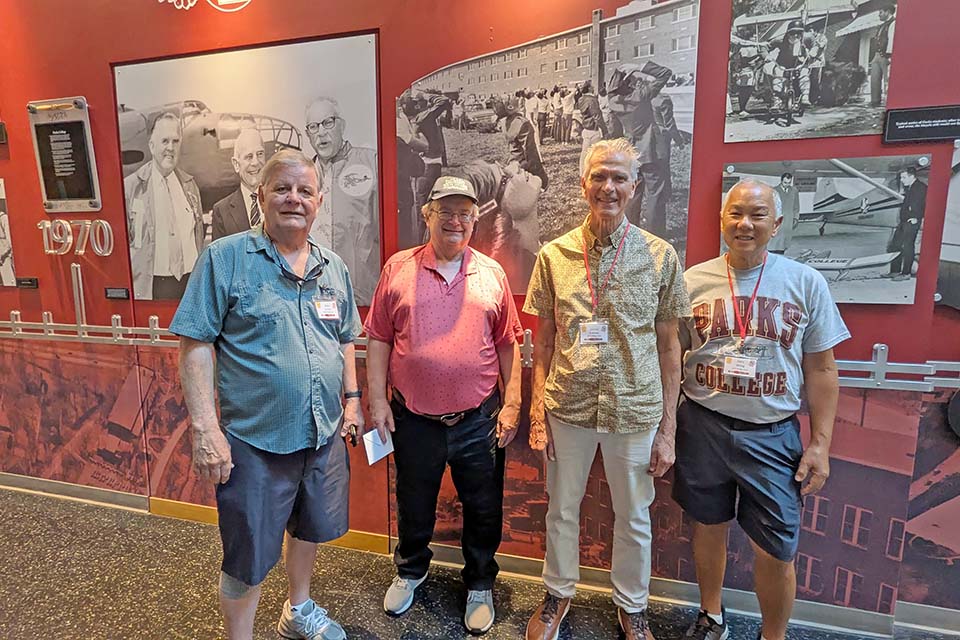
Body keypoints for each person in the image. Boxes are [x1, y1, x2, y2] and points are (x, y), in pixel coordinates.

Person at [170, 149, 363, 640]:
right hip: (254, 444)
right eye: (282, 188)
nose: (293, 199)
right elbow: (195, 344)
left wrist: (354, 400)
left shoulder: (333, 267)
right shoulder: (225, 259)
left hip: (321, 435)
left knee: (308, 528)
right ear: (261, 196)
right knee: (248, 556)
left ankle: (297, 612)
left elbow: (344, 339)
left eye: (304, 191)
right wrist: (205, 428)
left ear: (318, 202)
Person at [524, 138, 691, 640]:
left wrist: (668, 430)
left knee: (634, 515)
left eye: (619, 178)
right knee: (562, 509)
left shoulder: (661, 258)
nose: (609, 187)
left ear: (635, 187)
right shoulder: (554, 257)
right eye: (599, 177)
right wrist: (537, 413)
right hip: (568, 406)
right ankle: (557, 595)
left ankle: (632, 606)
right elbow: (544, 340)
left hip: (635, 408)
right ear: (583, 185)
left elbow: (669, 349)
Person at [675, 179, 849, 640]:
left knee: (777, 547)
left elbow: (823, 370)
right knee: (708, 526)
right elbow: (669, 358)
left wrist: (821, 445)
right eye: (735, 213)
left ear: (777, 223)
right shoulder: (692, 281)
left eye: (756, 215)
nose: (744, 224)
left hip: (772, 433)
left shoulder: (804, 283)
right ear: (721, 220)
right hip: (702, 425)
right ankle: (711, 615)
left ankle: (773, 635)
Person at [365, 176, 523, 635]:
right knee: (414, 503)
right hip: (414, 419)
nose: (455, 220)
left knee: (483, 505)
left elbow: (508, 344)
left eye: (465, 213)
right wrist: (377, 400)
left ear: (476, 218)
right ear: (427, 214)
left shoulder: (491, 274)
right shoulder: (398, 268)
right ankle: (411, 571)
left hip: (479, 419)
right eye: (446, 211)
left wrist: (512, 403)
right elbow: (378, 337)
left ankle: (478, 584)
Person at [305, 96, 380, 306]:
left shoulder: (371, 163)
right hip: (313, 297)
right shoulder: (302, 176)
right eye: (313, 127)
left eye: (328, 123)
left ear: (342, 125)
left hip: (361, 295)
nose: (321, 132)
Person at [125, 112, 204, 300]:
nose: (170, 148)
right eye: (165, 141)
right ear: (152, 146)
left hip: (189, 285)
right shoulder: (131, 188)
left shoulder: (190, 186)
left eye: (175, 141)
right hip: (153, 289)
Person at [607, 61, 674, 239]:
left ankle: (630, 233)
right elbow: (665, 72)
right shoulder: (641, 96)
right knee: (655, 195)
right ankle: (655, 235)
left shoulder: (613, 101)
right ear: (629, 82)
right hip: (650, 149)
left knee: (633, 195)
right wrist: (639, 66)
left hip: (631, 152)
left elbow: (613, 130)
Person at [211, 128, 267, 241]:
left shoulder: (280, 201)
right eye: (249, 156)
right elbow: (220, 257)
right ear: (236, 164)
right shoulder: (221, 211)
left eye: (260, 154)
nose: (255, 162)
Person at [494, 95, 549, 191]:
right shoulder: (522, 123)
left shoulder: (504, 122)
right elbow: (530, 153)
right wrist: (541, 177)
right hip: (523, 167)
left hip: (511, 163)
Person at [886, 167, 926, 281]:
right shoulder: (911, 188)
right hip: (905, 221)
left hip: (911, 221)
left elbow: (925, 204)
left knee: (908, 246)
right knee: (895, 245)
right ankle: (895, 271)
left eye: (903, 177)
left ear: (911, 176)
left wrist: (917, 217)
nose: (902, 180)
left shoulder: (921, 188)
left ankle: (906, 273)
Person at [767, 20, 811, 109]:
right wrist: (766, 56)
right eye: (792, 33)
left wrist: (813, 53)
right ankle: (777, 99)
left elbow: (816, 44)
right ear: (788, 33)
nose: (795, 35)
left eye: (799, 33)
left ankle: (805, 97)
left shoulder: (806, 39)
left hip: (798, 64)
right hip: (782, 64)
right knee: (777, 74)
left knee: (805, 72)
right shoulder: (779, 41)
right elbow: (765, 46)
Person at [577, 81, 610, 175]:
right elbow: (597, 116)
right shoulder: (592, 100)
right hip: (594, 129)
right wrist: (604, 129)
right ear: (589, 88)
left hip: (586, 128)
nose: (594, 87)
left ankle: (583, 172)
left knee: (585, 152)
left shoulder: (581, 99)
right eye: (592, 86)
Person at [870, 5, 896, 107]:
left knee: (887, 81)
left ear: (888, 11)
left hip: (886, 56)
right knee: (874, 81)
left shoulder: (893, 23)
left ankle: (887, 105)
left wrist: (889, 56)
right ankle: (875, 102)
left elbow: (891, 39)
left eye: (880, 12)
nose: (879, 15)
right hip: (877, 56)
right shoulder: (881, 26)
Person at [769, 173, 800, 255]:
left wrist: (796, 218)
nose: (787, 185)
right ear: (781, 181)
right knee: (774, 244)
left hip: (788, 222)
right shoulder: (774, 191)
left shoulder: (794, 191)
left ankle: (781, 257)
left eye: (789, 183)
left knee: (784, 244)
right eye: (785, 183)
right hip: (778, 221)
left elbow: (796, 207)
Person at [0, 208, 14, 286]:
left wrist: (4, 254)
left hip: (5, 256)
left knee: (9, 282)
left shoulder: (3, 218)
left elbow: (10, 241)